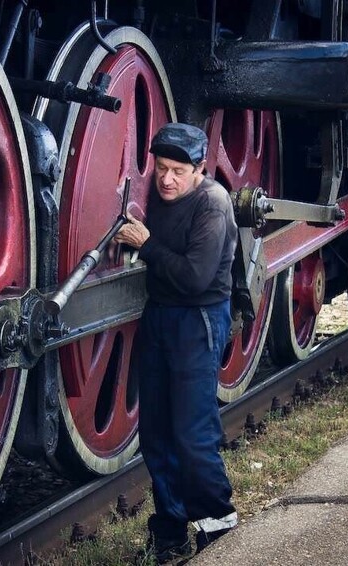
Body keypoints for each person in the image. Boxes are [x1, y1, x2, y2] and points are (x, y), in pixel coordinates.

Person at [114, 122, 239, 562]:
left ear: (199, 169)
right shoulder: (161, 194)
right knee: (157, 434)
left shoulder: (213, 204)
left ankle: (218, 526)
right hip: (160, 317)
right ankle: (170, 531)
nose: (166, 179)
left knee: (192, 433)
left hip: (198, 319)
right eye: (161, 168)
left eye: (177, 171)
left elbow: (194, 278)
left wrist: (146, 245)